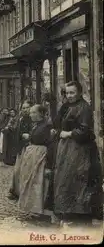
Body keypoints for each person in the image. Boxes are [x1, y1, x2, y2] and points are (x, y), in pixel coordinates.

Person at [53, 81, 103, 226]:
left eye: (72, 92)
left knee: (77, 179)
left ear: (79, 92)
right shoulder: (67, 106)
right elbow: (57, 123)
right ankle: (68, 212)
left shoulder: (84, 107)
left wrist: (68, 133)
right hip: (67, 148)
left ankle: (78, 215)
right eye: (67, 93)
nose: (69, 96)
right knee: (65, 179)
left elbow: (85, 130)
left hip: (80, 150)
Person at [18, 104, 53, 216]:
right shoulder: (36, 125)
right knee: (29, 181)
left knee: (37, 182)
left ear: (41, 114)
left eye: (34, 112)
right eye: (31, 112)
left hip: (40, 156)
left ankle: (38, 209)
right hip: (32, 156)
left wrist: (48, 164)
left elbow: (50, 145)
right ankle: (31, 207)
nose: (31, 114)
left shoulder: (47, 126)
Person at [9, 100, 32, 200]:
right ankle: (15, 191)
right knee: (17, 171)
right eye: (23, 108)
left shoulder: (32, 119)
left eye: (27, 107)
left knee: (25, 171)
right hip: (20, 148)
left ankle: (24, 193)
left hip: (28, 147)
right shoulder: (20, 119)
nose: (25, 110)